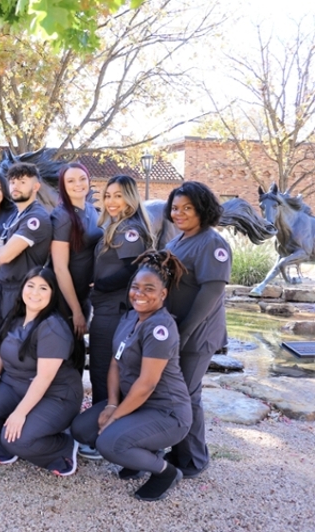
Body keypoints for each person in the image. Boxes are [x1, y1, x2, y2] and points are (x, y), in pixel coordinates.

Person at [71, 250, 192, 502]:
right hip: (135, 405)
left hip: (166, 412)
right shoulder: (129, 317)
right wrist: (112, 404)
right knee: (82, 430)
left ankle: (165, 472)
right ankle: (139, 456)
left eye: (149, 289)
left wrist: (115, 416)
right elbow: (115, 362)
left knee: (109, 443)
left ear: (163, 294)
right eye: (136, 287)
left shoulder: (160, 328)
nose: (139, 294)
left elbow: (147, 384)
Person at [0, 267, 83, 475]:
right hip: (17, 386)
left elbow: (44, 378)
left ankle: (64, 446)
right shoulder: (15, 315)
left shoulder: (52, 327)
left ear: (52, 294)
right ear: (22, 288)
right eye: (30, 285)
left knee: (17, 438)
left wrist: (20, 413)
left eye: (43, 288)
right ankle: (10, 444)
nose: (34, 292)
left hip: (56, 395)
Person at [163, 181, 232, 478]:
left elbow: (211, 292)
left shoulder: (211, 243)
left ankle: (193, 459)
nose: (179, 214)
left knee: (188, 395)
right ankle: (180, 449)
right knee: (179, 393)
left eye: (187, 208)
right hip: (177, 331)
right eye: (176, 208)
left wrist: (186, 332)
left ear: (202, 209)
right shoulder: (177, 241)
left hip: (197, 333)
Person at [89, 175, 153, 406]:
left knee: (102, 369)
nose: (111, 201)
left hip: (114, 311)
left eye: (118, 195)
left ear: (130, 198)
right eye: (108, 196)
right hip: (108, 308)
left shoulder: (129, 229)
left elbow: (133, 270)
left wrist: (101, 285)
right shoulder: (117, 225)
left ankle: (100, 427)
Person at [0, 163, 53, 322]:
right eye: (12, 182)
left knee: (15, 343)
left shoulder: (35, 218)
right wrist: (0, 253)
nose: (15, 186)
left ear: (36, 187)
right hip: (4, 290)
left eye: (22, 182)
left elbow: (2, 257)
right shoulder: (15, 216)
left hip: (21, 292)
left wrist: (1, 252)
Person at [50, 162, 104, 341]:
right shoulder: (62, 216)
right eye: (71, 181)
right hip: (65, 299)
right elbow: (60, 268)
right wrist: (76, 311)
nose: (78, 184)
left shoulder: (91, 210)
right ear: (63, 186)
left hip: (85, 294)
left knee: (79, 352)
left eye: (82, 179)